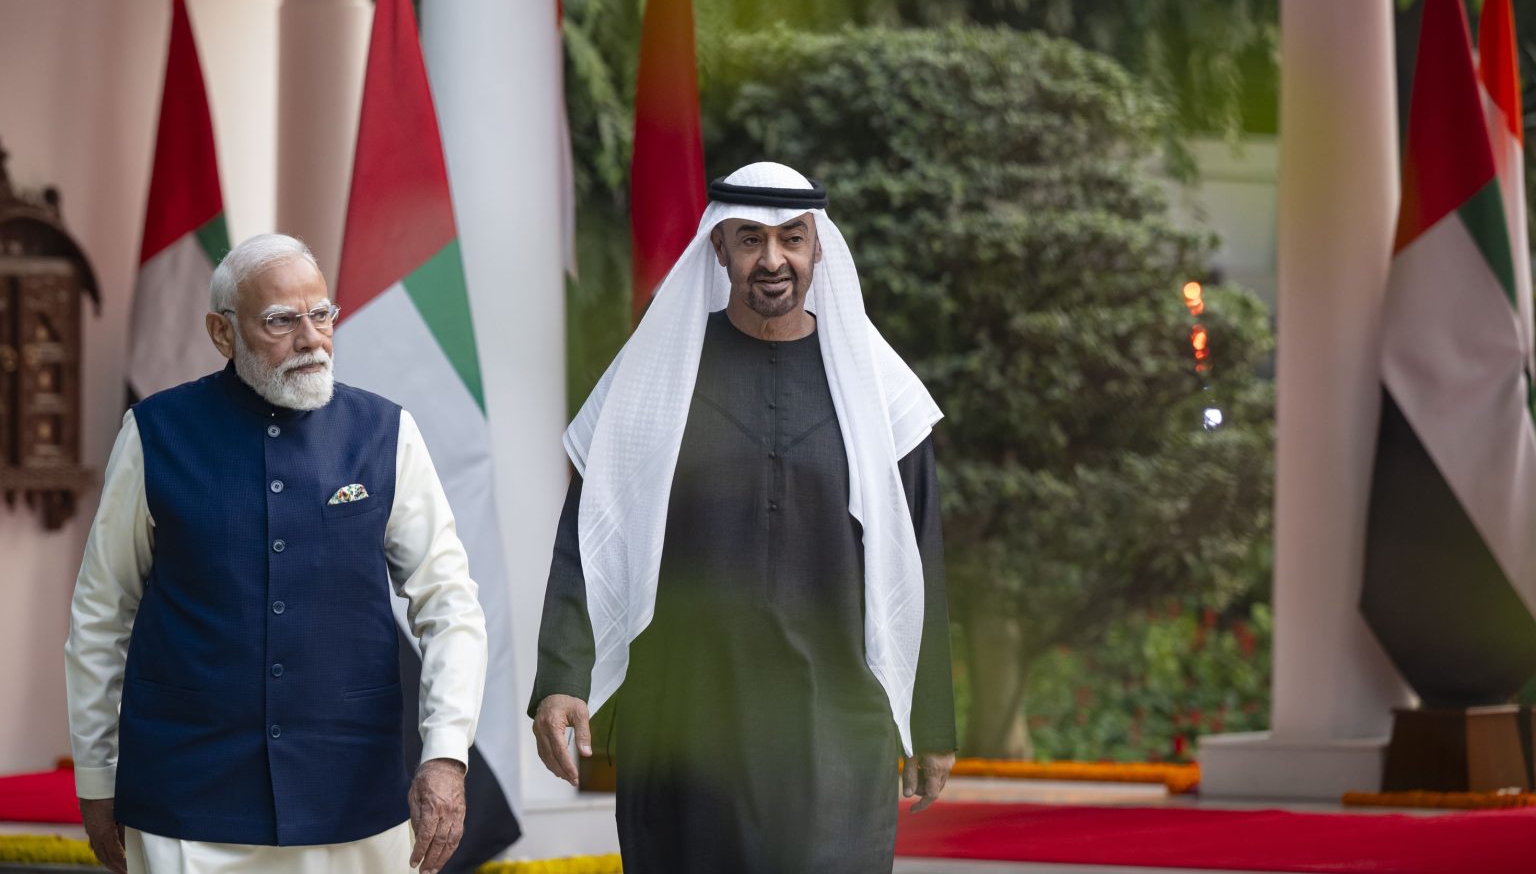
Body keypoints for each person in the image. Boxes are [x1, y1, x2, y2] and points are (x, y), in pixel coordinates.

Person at [530, 162, 957, 873]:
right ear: (719, 247)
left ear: (819, 248)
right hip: (684, 722)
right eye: (751, 238)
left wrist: (931, 720)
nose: (773, 259)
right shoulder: (656, 372)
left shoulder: (879, 390)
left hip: (836, 726)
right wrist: (561, 676)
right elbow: (589, 533)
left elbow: (921, 558)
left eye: (792, 239)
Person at [65, 234, 488, 874]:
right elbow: (101, 614)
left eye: (321, 315)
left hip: (351, 793)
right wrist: (97, 777)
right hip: (187, 798)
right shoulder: (154, 434)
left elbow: (449, 604)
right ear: (222, 332)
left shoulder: (386, 433)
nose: (311, 339)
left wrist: (447, 753)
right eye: (280, 321)